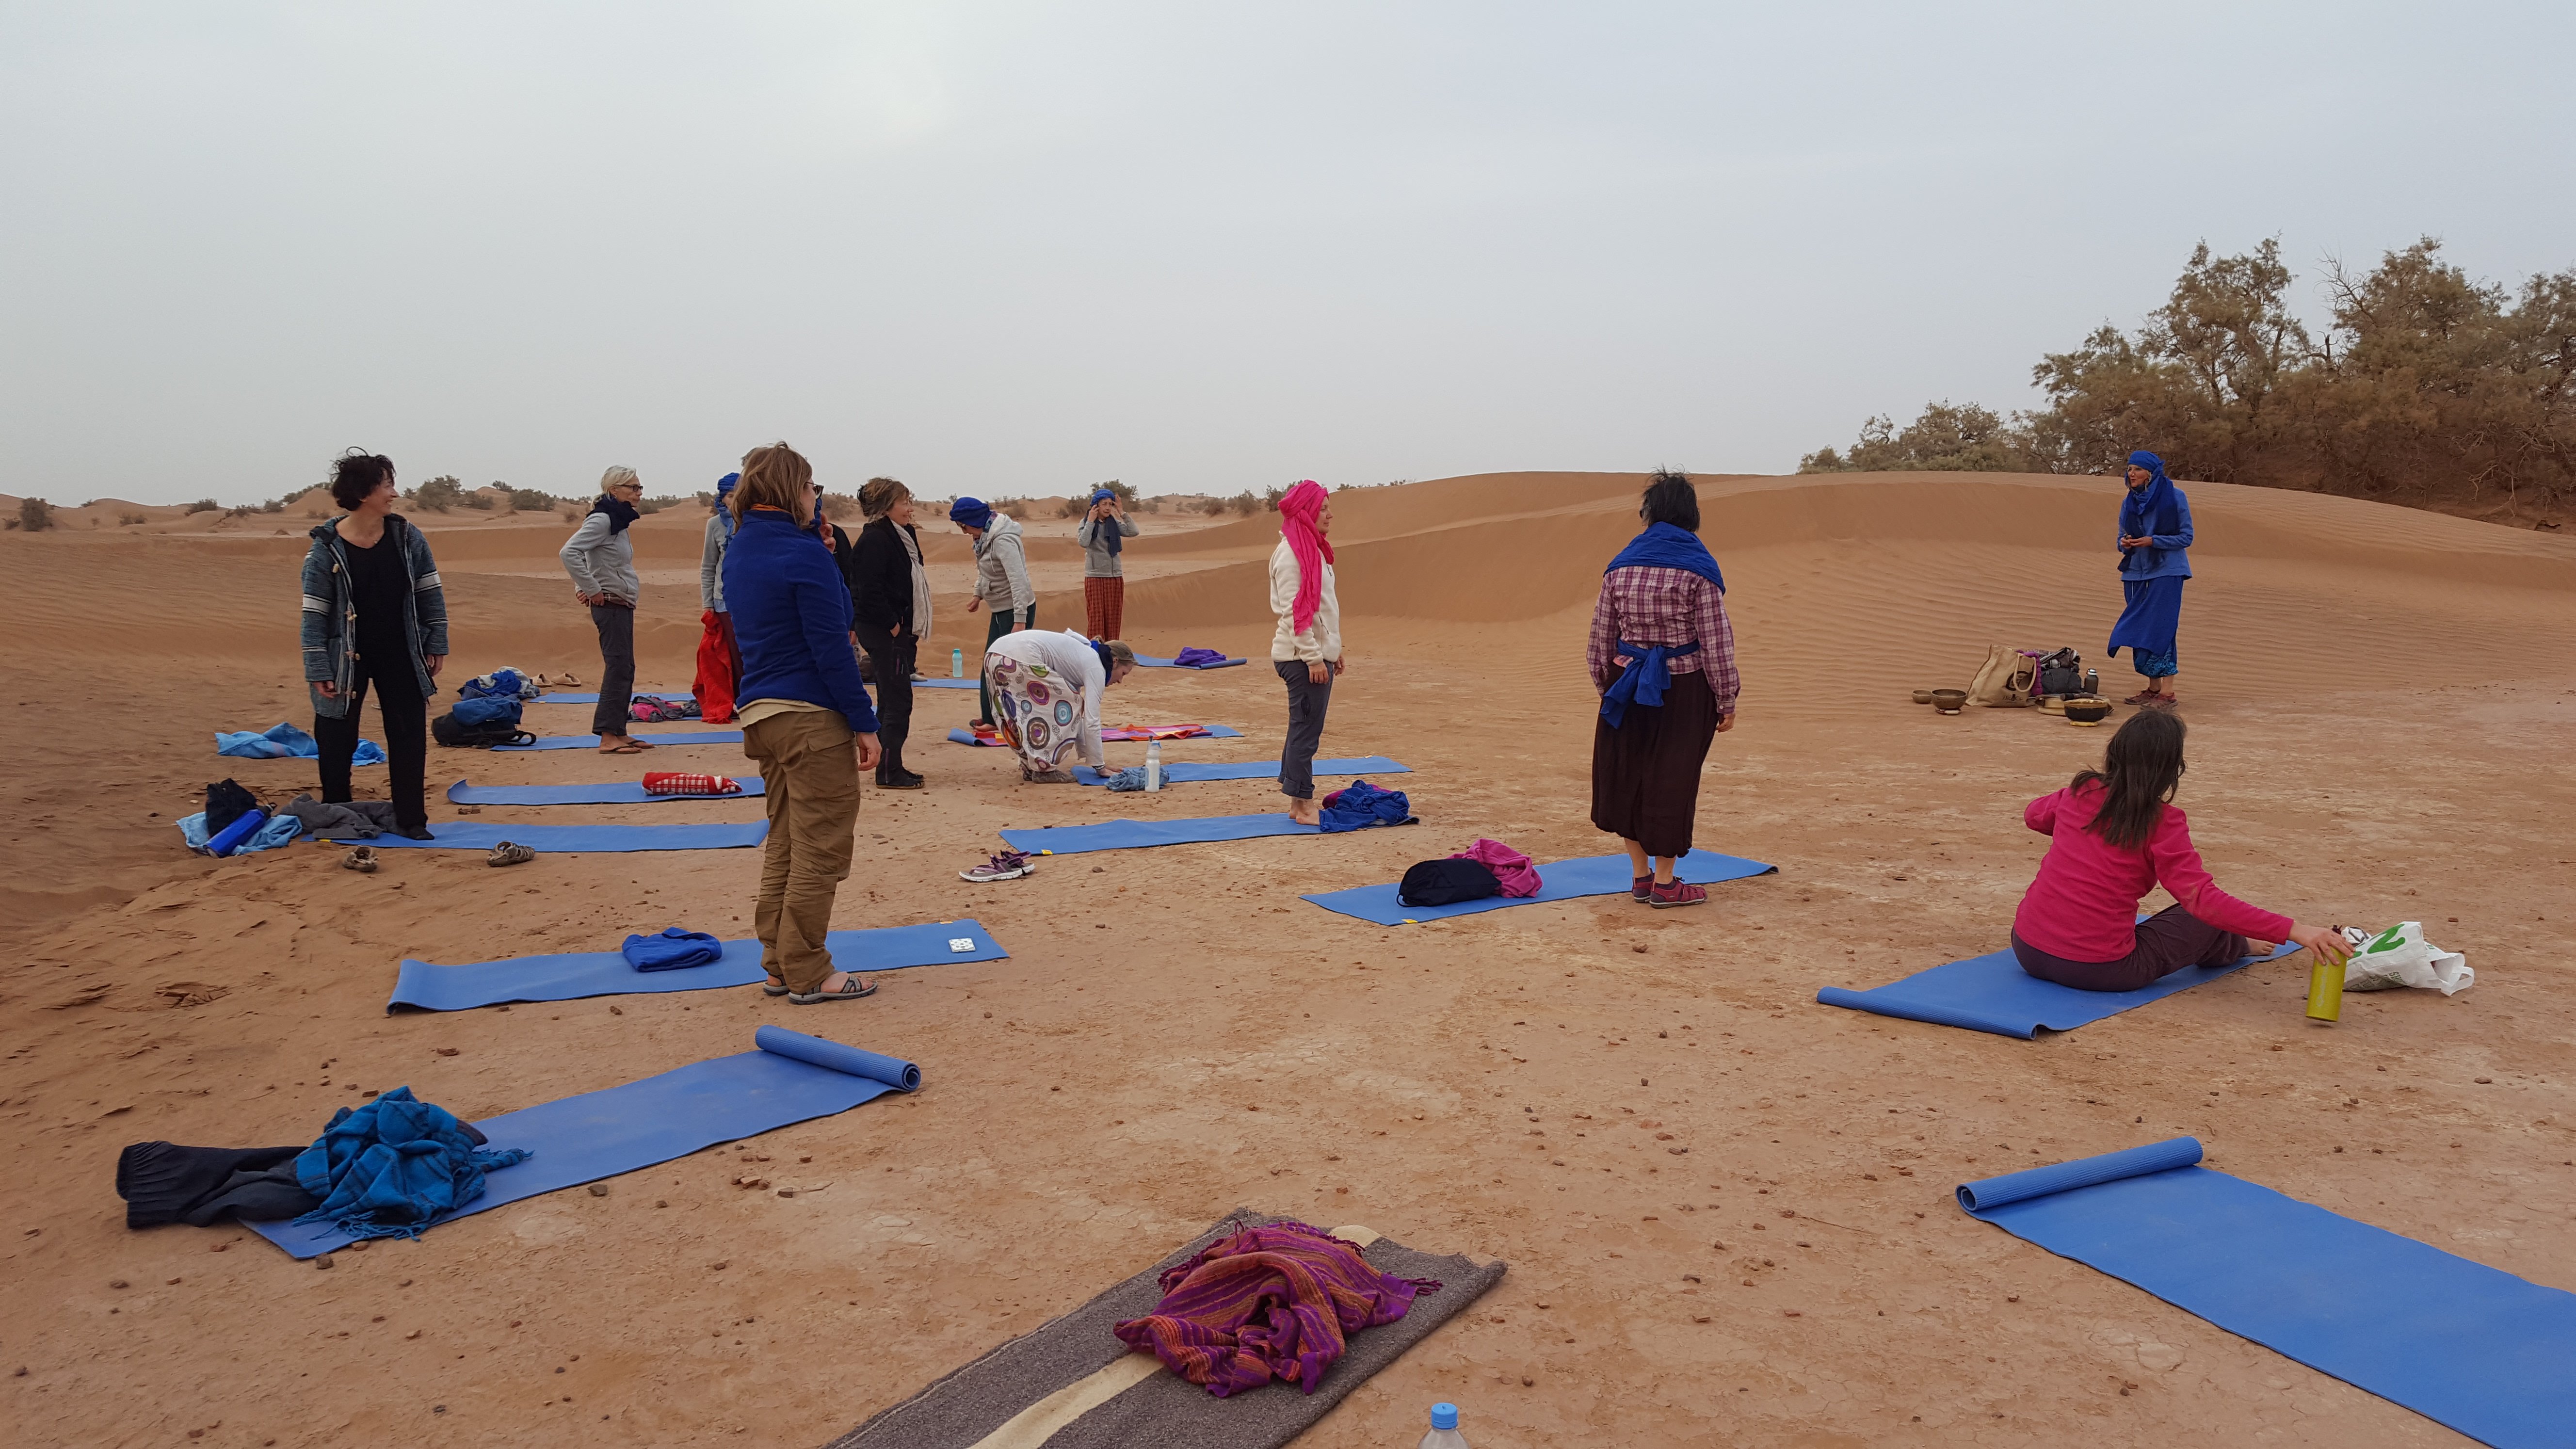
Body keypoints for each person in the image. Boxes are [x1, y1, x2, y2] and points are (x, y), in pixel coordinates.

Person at [2013, 709, 2346, 990]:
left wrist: (2079, 836)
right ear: (2172, 770)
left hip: (2027, 949)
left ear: (2114, 752)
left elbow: (2033, 816)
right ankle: (2236, 946)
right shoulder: (2163, 822)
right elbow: (2203, 902)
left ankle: (2236, 944)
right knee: (2202, 915)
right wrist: (2297, 930)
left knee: (2199, 912)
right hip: (2101, 970)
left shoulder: (2080, 791)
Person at [721, 442, 884, 1005]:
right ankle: (809, 970)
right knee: (821, 851)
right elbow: (831, 644)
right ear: (793, 490)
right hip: (810, 718)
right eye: (811, 488)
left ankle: (777, 963)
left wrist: (825, 552)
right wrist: (865, 722)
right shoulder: (801, 553)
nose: (816, 497)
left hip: (762, 713)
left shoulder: (741, 548)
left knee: (787, 845)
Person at [1588, 470, 1739, 908]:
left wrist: (1606, 686)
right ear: (1690, 516)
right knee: (1672, 778)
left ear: (1649, 516)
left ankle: (1640, 877)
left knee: (1626, 775)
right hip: (1685, 688)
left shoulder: (1621, 566)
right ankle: (1667, 884)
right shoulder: (1699, 571)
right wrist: (1727, 699)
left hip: (1625, 685)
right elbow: (1716, 644)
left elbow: (1600, 637)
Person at [301, 449, 445, 839]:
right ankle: (336, 815)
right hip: (343, 658)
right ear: (364, 493)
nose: (394, 494)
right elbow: (314, 614)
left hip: (402, 650)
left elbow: (430, 593)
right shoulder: (326, 548)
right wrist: (317, 667)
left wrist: (437, 642)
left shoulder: (407, 537)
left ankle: (412, 820)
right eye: (387, 485)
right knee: (335, 736)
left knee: (408, 733)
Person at [1269, 480, 1345, 826]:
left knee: (1302, 727)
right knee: (1306, 731)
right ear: (1307, 511)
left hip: (1312, 653)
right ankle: (1303, 806)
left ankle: (1296, 800)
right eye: (1324, 507)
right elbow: (1294, 612)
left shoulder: (1313, 548)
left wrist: (1333, 650)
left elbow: (1322, 610)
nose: (1330, 514)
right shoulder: (1292, 555)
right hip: (1299, 658)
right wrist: (1315, 658)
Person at [560, 466, 650, 753]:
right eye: (632, 488)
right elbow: (570, 552)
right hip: (610, 602)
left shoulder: (618, 521)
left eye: (640, 488)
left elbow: (590, 556)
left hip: (620, 601)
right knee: (618, 667)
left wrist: (584, 586)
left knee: (625, 667)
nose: (638, 493)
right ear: (614, 490)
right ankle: (608, 736)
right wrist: (590, 589)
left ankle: (618, 731)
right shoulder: (603, 519)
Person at [850, 477, 931, 789]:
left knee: (893, 698)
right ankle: (888, 770)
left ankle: (891, 765)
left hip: (901, 630)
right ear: (886, 507)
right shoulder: (875, 539)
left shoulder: (902, 535)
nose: (910, 509)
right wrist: (893, 624)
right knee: (896, 700)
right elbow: (867, 591)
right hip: (885, 631)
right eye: (904, 503)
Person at [984, 630, 1137, 782]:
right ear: (1115, 662)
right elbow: (1091, 720)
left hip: (994, 655)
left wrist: (1094, 761)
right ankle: (1044, 770)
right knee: (1068, 705)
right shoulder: (1096, 668)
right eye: (1123, 674)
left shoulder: (1082, 657)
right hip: (1020, 657)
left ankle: (1030, 765)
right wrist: (1100, 767)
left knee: (1020, 711)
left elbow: (1080, 718)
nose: (1120, 681)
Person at [2108, 449, 2194, 709]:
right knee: (2140, 627)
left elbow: (2186, 537)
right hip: (2136, 572)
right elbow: (2120, 538)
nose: (2131, 474)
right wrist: (2125, 543)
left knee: (2162, 627)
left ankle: (2167, 693)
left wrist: (2154, 541)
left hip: (2167, 571)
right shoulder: (2129, 502)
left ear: (2150, 473)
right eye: (2130, 469)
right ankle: (2153, 688)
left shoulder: (2175, 497)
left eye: (2137, 469)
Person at [952, 496, 1034, 726]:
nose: (964, 532)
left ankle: (1015, 720)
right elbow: (986, 570)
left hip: (1015, 610)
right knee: (990, 664)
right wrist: (978, 594)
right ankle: (990, 717)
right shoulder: (984, 539)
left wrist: (1020, 621)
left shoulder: (1003, 541)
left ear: (973, 521)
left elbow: (1018, 581)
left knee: (1008, 669)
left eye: (964, 526)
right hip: (999, 608)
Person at [695, 471, 742, 723]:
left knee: (752, 653)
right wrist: (707, 605)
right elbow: (708, 566)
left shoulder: (753, 521)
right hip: (723, 599)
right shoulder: (714, 525)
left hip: (752, 599)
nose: (734, 501)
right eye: (730, 496)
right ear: (722, 499)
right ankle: (736, 701)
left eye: (739, 495)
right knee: (732, 655)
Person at [1075, 487, 1140, 639]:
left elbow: (1134, 532)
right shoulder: (1086, 522)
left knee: (1113, 618)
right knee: (1096, 618)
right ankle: (1096, 652)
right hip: (1095, 576)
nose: (1107, 508)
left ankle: (1112, 652)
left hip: (1115, 576)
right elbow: (1083, 542)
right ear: (1096, 506)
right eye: (1104, 504)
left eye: (1110, 504)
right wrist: (1091, 521)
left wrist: (1122, 512)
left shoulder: (1114, 523)